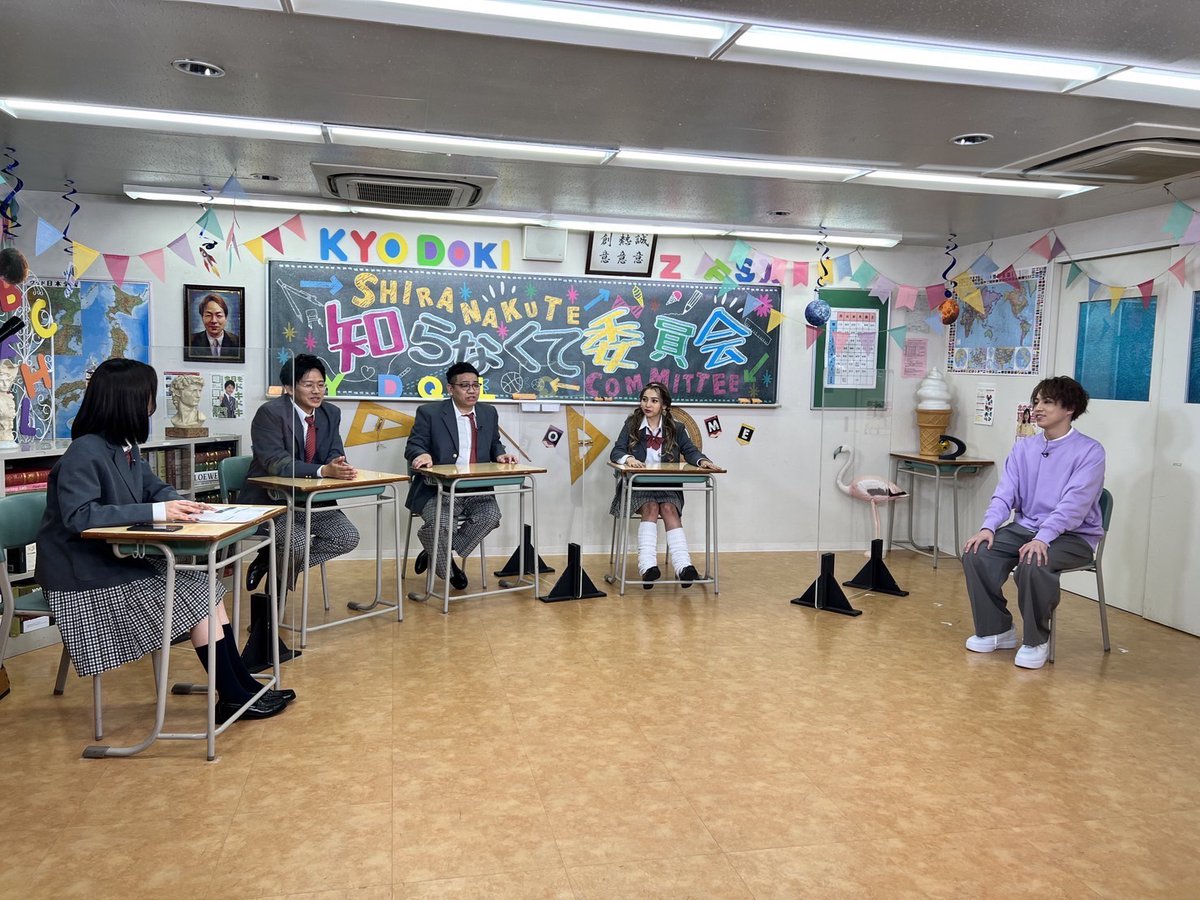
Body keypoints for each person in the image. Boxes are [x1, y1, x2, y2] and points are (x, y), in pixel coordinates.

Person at [34, 359, 292, 721]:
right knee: (198, 596)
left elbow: (153, 487)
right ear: (126, 401)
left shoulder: (124, 446)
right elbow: (80, 516)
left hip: (114, 563)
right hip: (82, 578)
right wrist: (158, 511)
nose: (152, 405)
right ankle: (234, 694)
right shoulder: (85, 451)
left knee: (206, 586)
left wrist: (183, 504)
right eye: (148, 397)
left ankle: (241, 687)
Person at [961, 376, 1106, 670]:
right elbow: (1005, 493)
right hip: (1024, 529)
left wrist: (1043, 537)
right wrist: (988, 527)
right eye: (1036, 401)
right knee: (977, 553)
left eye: (1047, 402)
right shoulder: (1024, 448)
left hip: (1073, 536)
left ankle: (1036, 640)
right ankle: (997, 629)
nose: (1038, 408)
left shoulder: (1090, 451)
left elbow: (1074, 506)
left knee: (1034, 561)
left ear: (1070, 408)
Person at [240, 354, 359, 593]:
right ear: (289, 388)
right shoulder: (270, 413)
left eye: (321, 384)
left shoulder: (331, 413)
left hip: (311, 503)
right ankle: (274, 603)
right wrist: (323, 470)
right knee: (296, 542)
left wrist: (338, 464)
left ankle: (272, 563)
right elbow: (277, 463)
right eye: (308, 385)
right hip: (272, 503)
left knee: (347, 537)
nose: (316, 391)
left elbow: (335, 452)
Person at [405, 362, 517, 590]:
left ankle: (433, 549)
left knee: (491, 516)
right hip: (437, 490)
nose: (472, 390)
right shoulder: (430, 413)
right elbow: (414, 445)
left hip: (476, 489)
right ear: (450, 388)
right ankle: (447, 566)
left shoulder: (488, 413)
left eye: (476, 385)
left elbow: (494, 443)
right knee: (441, 524)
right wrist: (421, 454)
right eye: (465, 386)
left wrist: (501, 454)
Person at [610, 381, 718, 589]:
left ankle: (683, 567)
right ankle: (647, 567)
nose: (647, 405)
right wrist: (628, 458)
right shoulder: (632, 424)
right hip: (638, 486)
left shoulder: (676, 428)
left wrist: (702, 461)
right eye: (644, 400)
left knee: (669, 508)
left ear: (664, 406)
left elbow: (690, 451)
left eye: (654, 401)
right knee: (651, 507)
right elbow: (616, 451)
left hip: (667, 484)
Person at [188, 294, 241, 359]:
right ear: (202, 317)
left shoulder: (237, 342)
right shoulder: (191, 341)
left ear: (226, 317)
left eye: (219, 316)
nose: (214, 321)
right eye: (208, 315)